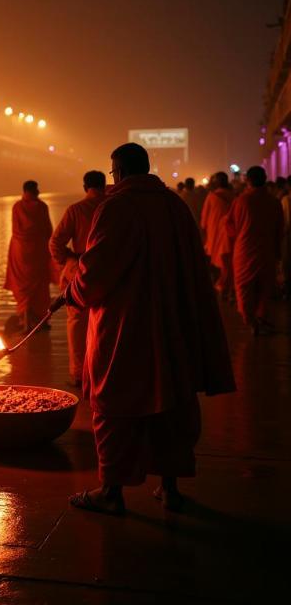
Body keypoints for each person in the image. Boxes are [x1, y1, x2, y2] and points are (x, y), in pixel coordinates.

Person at [56, 143, 235, 515]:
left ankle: (111, 491)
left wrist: (71, 291)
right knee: (170, 402)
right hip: (173, 323)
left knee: (113, 404)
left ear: (117, 172)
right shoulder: (175, 206)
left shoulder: (116, 207)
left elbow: (94, 273)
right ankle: (169, 489)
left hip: (125, 327)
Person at [48, 170, 106, 386]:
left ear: (85, 187)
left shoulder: (76, 210)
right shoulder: (115, 207)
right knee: (108, 323)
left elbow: (55, 243)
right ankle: (104, 372)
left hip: (81, 271)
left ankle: (80, 374)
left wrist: (68, 261)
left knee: (77, 324)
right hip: (110, 271)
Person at [225, 165, 284, 336]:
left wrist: (238, 236)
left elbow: (229, 225)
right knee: (265, 287)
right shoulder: (274, 202)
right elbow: (280, 229)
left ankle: (250, 320)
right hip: (267, 250)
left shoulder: (241, 201)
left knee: (244, 287)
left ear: (247, 181)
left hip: (244, 250)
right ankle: (260, 316)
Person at [4, 180, 54, 331]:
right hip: (38, 251)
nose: (38, 192)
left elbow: (15, 230)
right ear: (34, 191)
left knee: (23, 288)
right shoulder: (41, 206)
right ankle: (41, 321)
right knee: (39, 287)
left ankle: (26, 323)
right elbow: (48, 231)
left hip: (19, 251)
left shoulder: (17, 207)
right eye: (37, 190)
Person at [200, 171, 236, 300]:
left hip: (214, 236)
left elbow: (204, 221)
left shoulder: (212, 196)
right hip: (230, 236)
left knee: (217, 264)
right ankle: (227, 288)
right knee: (228, 263)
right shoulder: (234, 196)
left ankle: (220, 287)